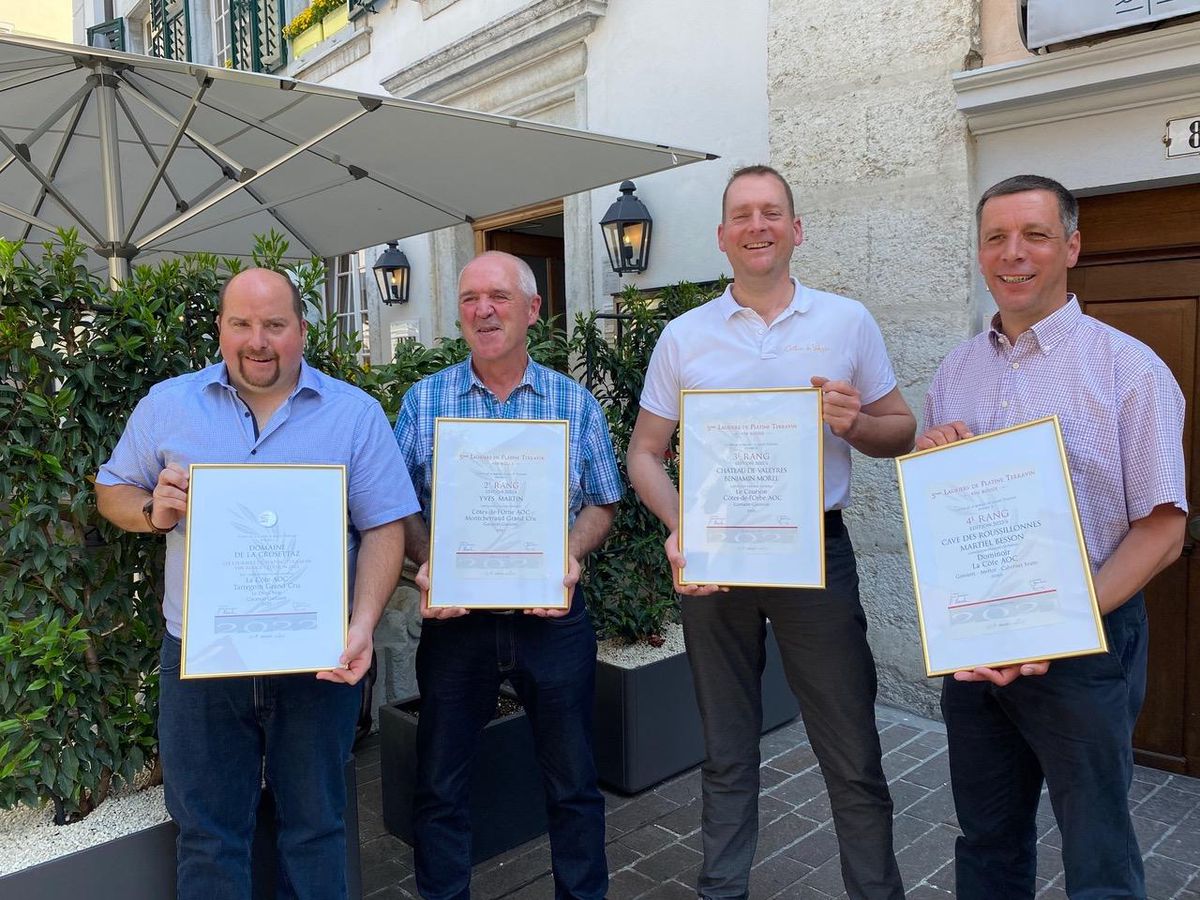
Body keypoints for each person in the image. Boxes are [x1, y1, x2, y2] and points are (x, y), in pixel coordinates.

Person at [627, 164, 913, 900]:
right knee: (724, 749)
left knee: (850, 749)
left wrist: (858, 424)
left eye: (772, 212)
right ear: (722, 236)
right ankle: (723, 891)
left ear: (796, 228)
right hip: (716, 558)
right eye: (743, 215)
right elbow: (644, 453)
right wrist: (681, 523)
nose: (758, 226)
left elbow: (902, 430)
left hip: (815, 551)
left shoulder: (845, 321)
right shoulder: (684, 338)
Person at [95, 268, 417, 900]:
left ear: (301, 329)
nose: (257, 340)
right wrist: (152, 511)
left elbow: (385, 529)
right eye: (241, 323)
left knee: (317, 828)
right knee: (209, 836)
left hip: (318, 658)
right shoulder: (168, 404)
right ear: (220, 328)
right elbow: (112, 490)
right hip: (200, 660)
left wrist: (360, 626)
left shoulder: (354, 415)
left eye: (274, 324)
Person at [917, 174, 1186, 899]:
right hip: (977, 644)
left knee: (1097, 850)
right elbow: (943, 513)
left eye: (1034, 235)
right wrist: (935, 453)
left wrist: (1056, 620)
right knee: (987, 838)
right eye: (996, 238)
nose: (1014, 254)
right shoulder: (956, 370)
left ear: (1071, 245)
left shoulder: (1130, 371)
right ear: (979, 253)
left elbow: (1163, 529)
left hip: (1083, 643)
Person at [394, 251, 621, 900]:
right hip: (457, 624)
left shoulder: (574, 403)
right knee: (439, 787)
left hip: (551, 621)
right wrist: (426, 561)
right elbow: (398, 508)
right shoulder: (423, 401)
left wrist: (570, 555)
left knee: (573, 785)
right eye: (469, 298)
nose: (484, 309)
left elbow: (603, 501)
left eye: (498, 296)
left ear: (532, 310)